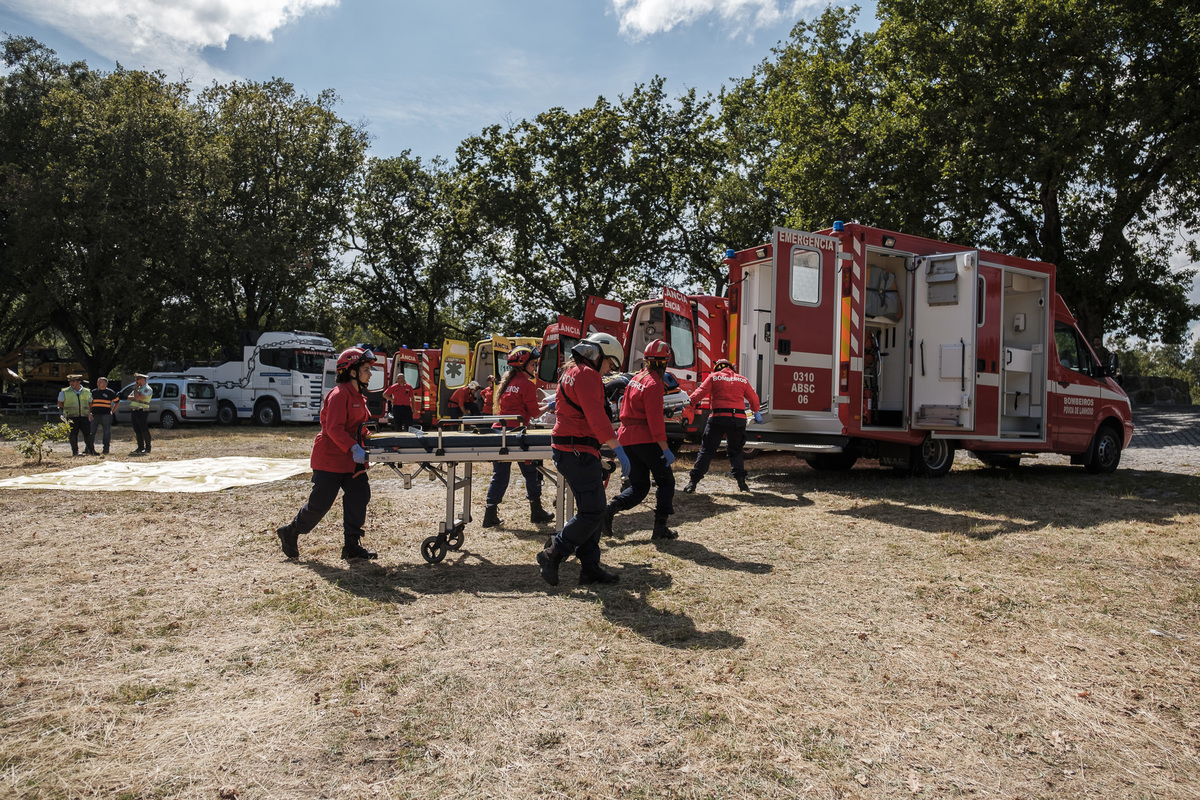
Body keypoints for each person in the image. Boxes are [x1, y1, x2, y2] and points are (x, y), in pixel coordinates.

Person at [536, 332, 630, 587]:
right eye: (609, 364)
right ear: (598, 354)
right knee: (594, 510)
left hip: (573, 448)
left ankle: (589, 567)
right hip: (577, 449)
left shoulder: (573, 371)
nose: (608, 370)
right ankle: (553, 552)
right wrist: (618, 449)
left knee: (592, 509)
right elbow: (597, 419)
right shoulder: (587, 374)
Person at [276, 347, 379, 561]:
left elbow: (360, 427)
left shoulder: (359, 396)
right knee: (320, 504)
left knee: (359, 496)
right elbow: (334, 428)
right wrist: (353, 447)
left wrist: (371, 441)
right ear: (352, 372)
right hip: (331, 459)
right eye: (367, 369)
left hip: (353, 460)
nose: (370, 374)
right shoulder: (339, 395)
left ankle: (351, 545)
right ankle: (291, 532)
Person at [602, 340, 678, 540]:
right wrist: (665, 449)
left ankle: (610, 509)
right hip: (645, 439)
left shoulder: (636, 379)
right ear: (665, 362)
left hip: (627, 438)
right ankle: (660, 529)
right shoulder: (654, 384)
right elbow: (655, 421)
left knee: (640, 486)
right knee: (666, 482)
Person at [482, 346, 554, 528]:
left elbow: (520, 406)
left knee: (499, 475)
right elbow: (536, 414)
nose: (535, 367)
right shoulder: (528, 385)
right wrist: (551, 404)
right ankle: (536, 511)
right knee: (531, 472)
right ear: (523, 365)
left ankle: (489, 514)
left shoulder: (508, 383)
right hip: (518, 436)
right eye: (533, 364)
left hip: (500, 432)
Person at [683, 358, 761, 494]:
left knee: (707, 450)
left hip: (718, 418)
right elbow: (753, 399)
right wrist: (756, 411)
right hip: (738, 419)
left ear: (718, 368)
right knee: (735, 450)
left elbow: (700, 392)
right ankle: (742, 483)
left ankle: (692, 483)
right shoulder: (742, 379)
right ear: (731, 368)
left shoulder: (714, 377)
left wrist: (688, 404)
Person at [57, 374, 96, 456]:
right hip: (71, 416)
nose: (71, 383)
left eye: (73, 381)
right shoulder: (64, 392)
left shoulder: (87, 391)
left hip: (84, 416)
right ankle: (75, 452)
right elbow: (60, 403)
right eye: (70, 381)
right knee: (73, 434)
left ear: (79, 382)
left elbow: (89, 404)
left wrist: (89, 414)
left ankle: (91, 451)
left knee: (88, 434)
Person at [90, 376, 119, 455]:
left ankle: (106, 449)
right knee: (91, 432)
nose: (98, 384)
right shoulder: (93, 392)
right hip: (94, 414)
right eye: (97, 382)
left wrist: (112, 411)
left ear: (105, 384)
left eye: (100, 382)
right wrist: (89, 413)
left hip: (106, 415)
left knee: (106, 432)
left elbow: (117, 402)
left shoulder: (110, 392)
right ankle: (89, 449)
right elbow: (89, 403)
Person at [127, 373, 154, 454]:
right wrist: (136, 394)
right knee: (137, 429)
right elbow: (129, 398)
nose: (136, 381)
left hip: (142, 410)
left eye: (138, 379)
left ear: (143, 379)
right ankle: (140, 447)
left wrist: (135, 392)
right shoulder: (138, 389)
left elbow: (139, 397)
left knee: (144, 429)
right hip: (134, 410)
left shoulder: (147, 389)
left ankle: (148, 447)